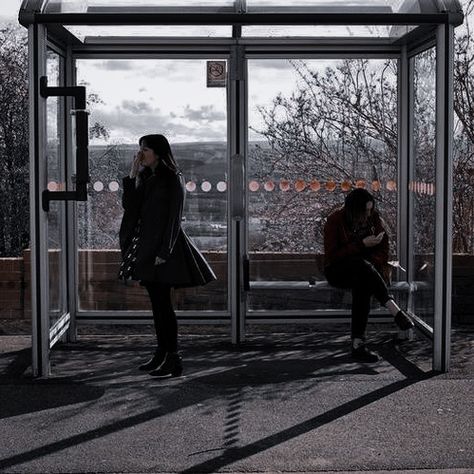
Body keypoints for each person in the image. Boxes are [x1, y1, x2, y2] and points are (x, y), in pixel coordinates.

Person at [119, 134, 216, 377]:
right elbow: (130, 207)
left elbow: (175, 217)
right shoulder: (146, 177)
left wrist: (164, 251)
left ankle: (172, 357)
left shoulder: (173, 177)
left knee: (163, 306)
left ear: (159, 152)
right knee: (157, 304)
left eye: (145, 149)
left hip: (164, 250)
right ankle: (163, 354)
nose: (141, 154)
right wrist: (132, 174)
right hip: (149, 248)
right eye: (140, 149)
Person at [323, 188, 414, 363]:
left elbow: (383, 248)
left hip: (367, 272)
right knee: (360, 266)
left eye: (370, 209)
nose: (368, 214)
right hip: (338, 271)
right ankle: (393, 309)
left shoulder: (373, 218)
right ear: (354, 210)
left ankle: (358, 344)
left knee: (363, 283)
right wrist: (361, 244)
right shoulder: (335, 221)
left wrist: (369, 260)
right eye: (365, 210)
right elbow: (332, 256)